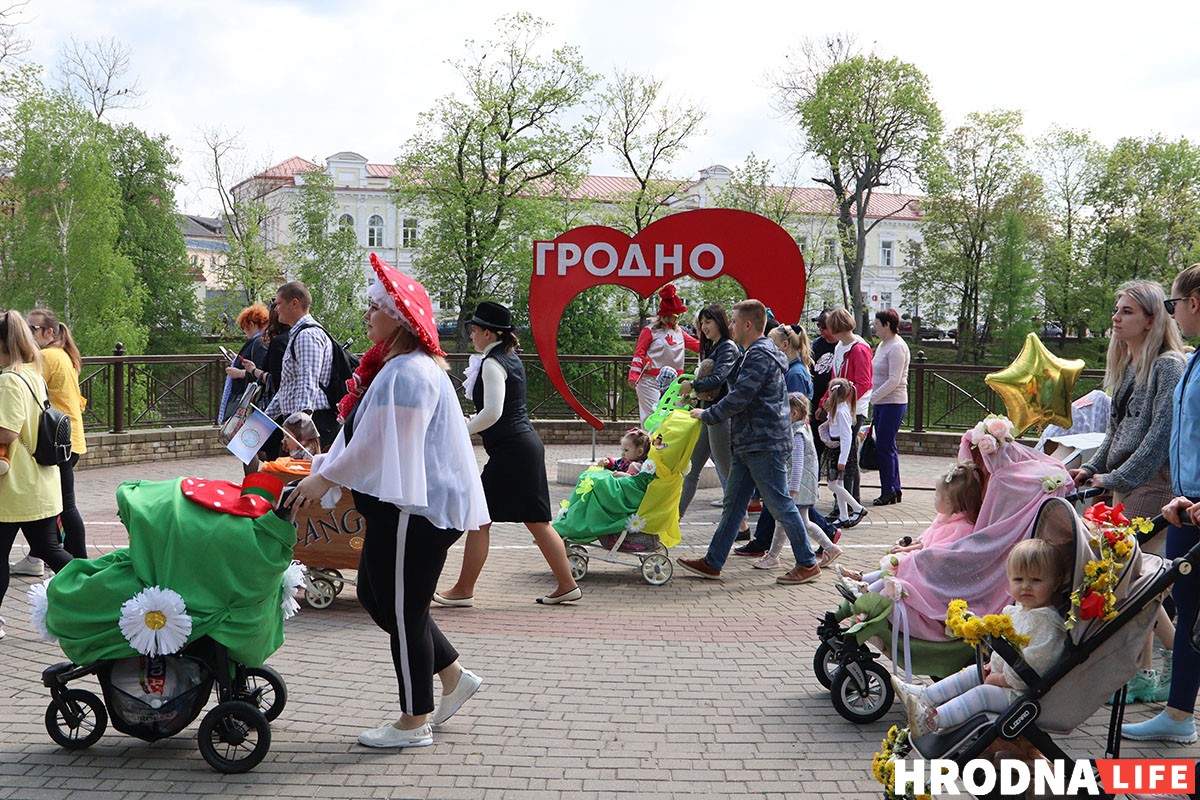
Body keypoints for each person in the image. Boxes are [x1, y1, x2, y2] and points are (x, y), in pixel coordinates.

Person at [287, 258, 489, 749]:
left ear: (396, 319)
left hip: (412, 511)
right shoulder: (402, 368)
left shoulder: (406, 371)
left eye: (374, 309)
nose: (367, 317)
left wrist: (325, 477)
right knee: (383, 599)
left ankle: (414, 719)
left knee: (400, 609)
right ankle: (452, 675)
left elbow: (385, 443)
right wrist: (323, 467)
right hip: (402, 508)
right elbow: (370, 435)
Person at [1070, 281, 1184, 703]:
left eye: (1128, 311)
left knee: (1135, 582)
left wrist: (1114, 478)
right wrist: (1093, 469)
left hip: (1153, 486)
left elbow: (1159, 438)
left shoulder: (1168, 366)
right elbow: (1115, 432)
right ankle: (1147, 672)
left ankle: (1170, 663)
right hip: (1125, 484)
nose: (1116, 318)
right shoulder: (1131, 368)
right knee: (1135, 583)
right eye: (1117, 310)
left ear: (1152, 319)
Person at [435, 301, 581, 606]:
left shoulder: (492, 363)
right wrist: (471, 423)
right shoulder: (508, 358)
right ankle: (567, 585)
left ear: (489, 333)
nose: (472, 335)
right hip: (523, 447)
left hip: (512, 451)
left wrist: (464, 429)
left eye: (475, 330)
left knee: (480, 517)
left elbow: (493, 412)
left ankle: (464, 590)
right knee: (536, 520)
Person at [677, 300, 820, 585]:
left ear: (747, 324)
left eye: (732, 321)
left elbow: (740, 397)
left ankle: (807, 562)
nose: (729, 326)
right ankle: (713, 561)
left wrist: (708, 413)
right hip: (751, 440)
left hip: (763, 441)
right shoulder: (754, 352)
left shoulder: (759, 356)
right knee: (734, 503)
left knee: (780, 503)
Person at [1122, 263, 1200, 746]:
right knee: (1188, 614)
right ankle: (1177, 715)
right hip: (1185, 506)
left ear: (1196, 303)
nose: (1174, 314)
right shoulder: (1193, 360)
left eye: (1174, 305)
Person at [893, 538, 1070, 736]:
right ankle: (925, 695)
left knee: (982, 693)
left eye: (1036, 580)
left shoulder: (1047, 623)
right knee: (973, 671)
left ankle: (933, 720)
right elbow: (1009, 651)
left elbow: (1038, 665)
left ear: (1056, 583)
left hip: (1022, 693)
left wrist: (1001, 678)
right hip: (1007, 679)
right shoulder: (1017, 611)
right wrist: (994, 665)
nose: (1026, 586)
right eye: (1018, 580)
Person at [0, 310, 70, 640]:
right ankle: (97, 594)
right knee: (50, 548)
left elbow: (7, 433)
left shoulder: (9, 380)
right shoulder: (32, 373)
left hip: (14, 487)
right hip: (39, 482)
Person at [10, 310, 87, 581]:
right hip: (64, 439)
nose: (28, 334)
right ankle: (42, 560)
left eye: (33, 328)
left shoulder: (47, 358)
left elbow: (15, 381)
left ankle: (81, 569)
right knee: (59, 513)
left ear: (49, 333)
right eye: (27, 328)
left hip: (50, 444)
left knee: (64, 509)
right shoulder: (63, 355)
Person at [839, 459, 984, 592]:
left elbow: (936, 553)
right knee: (899, 563)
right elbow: (926, 544)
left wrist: (908, 552)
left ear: (947, 501)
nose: (934, 499)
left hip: (932, 574)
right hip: (926, 565)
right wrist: (906, 548)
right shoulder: (946, 519)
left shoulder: (960, 527)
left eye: (936, 495)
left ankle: (866, 589)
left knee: (900, 566)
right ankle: (862, 579)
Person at [751, 393, 842, 570]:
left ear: (793, 413)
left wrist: (792, 489)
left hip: (798, 487)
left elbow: (798, 463)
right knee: (800, 522)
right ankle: (830, 548)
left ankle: (773, 556)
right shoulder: (802, 430)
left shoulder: (798, 434)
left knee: (787, 521)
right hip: (802, 486)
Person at [246, 282, 335, 450]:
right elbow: (287, 388)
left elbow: (307, 383)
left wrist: (299, 430)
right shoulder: (298, 334)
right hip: (304, 422)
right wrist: (260, 424)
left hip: (313, 422)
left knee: (299, 474)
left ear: (294, 303)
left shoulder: (306, 335)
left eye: (279, 304)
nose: (275, 309)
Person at [678, 304, 739, 516]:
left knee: (726, 471)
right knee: (691, 470)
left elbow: (718, 378)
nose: (703, 327)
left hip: (720, 416)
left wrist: (693, 386)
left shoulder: (728, 347)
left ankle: (739, 521)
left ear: (720, 322)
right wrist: (693, 396)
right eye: (702, 323)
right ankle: (671, 523)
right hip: (706, 413)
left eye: (708, 322)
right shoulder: (712, 347)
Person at [819, 307, 873, 505]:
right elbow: (835, 379)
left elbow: (864, 383)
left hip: (854, 410)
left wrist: (840, 399)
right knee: (846, 456)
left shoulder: (859, 348)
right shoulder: (840, 346)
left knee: (846, 457)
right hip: (841, 407)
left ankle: (848, 503)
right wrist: (825, 400)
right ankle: (849, 502)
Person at [628, 285, 700, 425]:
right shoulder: (649, 331)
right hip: (650, 382)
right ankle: (647, 445)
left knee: (670, 419)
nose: (678, 318)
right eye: (676, 314)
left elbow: (698, 346)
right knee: (653, 418)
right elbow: (639, 354)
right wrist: (634, 376)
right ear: (668, 315)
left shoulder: (679, 333)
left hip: (673, 384)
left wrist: (719, 342)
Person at [870, 308, 910, 506]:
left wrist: (872, 398)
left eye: (876, 324)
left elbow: (894, 380)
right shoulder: (883, 345)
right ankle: (894, 488)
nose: (874, 328)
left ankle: (888, 490)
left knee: (884, 447)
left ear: (886, 325)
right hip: (881, 402)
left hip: (893, 402)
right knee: (887, 446)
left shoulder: (897, 347)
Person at [819, 377, 868, 528]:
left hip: (841, 450)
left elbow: (847, 437)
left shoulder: (841, 412)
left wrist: (842, 460)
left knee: (833, 485)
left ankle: (858, 508)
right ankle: (843, 515)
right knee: (838, 483)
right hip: (835, 448)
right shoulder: (837, 410)